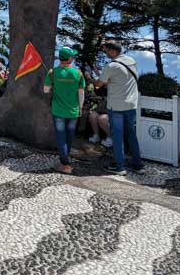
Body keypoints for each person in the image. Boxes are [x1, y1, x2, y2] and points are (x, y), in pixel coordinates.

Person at [86, 41, 144, 175]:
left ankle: (120, 166)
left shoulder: (111, 66)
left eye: (106, 51)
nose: (106, 54)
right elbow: (121, 78)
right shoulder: (131, 61)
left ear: (112, 51)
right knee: (131, 134)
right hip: (131, 104)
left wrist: (90, 79)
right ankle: (138, 164)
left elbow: (99, 84)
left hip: (117, 105)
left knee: (117, 135)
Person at [44, 48, 85, 174]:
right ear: (70, 58)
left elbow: (46, 90)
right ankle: (65, 162)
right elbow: (81, 92)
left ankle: (65, 164)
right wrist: (81, 107)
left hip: (58, 111)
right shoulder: (78, 73)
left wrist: (53, 87)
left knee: (61, 138)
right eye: (72, 56)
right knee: (68, 138)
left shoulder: (52, 72)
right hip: (73, 111)